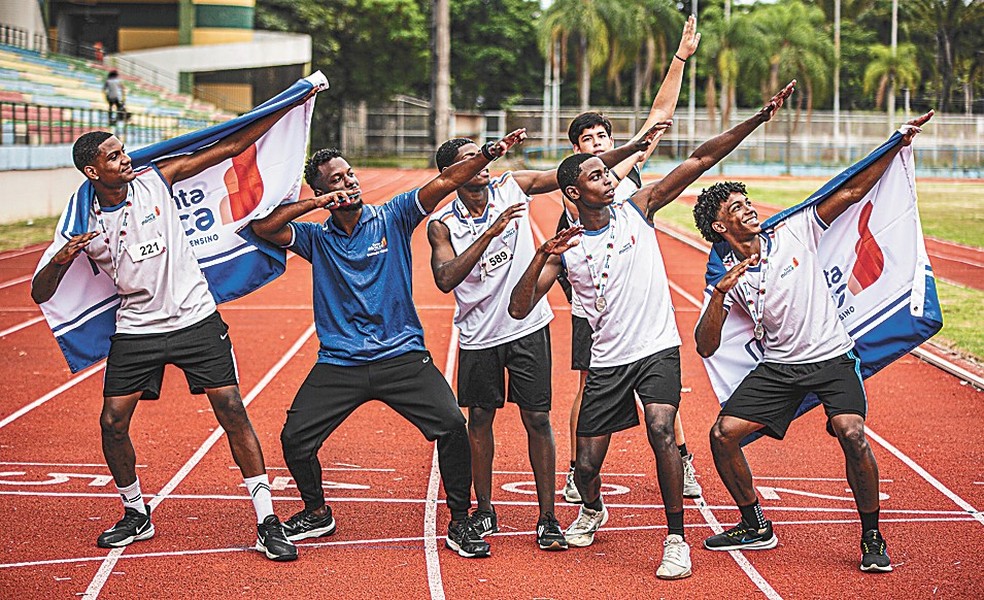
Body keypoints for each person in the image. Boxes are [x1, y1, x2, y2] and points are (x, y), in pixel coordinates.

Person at [509, 81, 795, 580]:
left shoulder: (637, 209)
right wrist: (539, 257)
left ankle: (675, 538)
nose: (610, 178)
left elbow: (700, 161)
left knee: (663, 429)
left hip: (657, 349)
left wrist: (758, 118)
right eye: (598, 174)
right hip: (608, 359)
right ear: (575, 193)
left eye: (608, 172)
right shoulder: (567, 247)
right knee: (587, 465)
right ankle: (593, 508)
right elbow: (518, 309)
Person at [30, 99, 311, 562]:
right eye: (115, 156)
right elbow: (41, 294)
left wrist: (290, 102)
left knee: (232, 410)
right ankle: (136, 513)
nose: (127, 159)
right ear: (92, 172)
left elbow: (233, 144)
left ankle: (267, 521)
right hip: (136, 329)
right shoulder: (81, 224)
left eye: (124, 151)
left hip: (195, 319)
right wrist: (61, 261)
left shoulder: (156, 181)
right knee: (112, 422)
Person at [250, 129, 529, 559]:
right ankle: (317, 511)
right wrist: (315, 205)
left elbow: (444, 183)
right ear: (322, 192)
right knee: (295, 439)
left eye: (351, 174)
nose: (350, 183)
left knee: (453, 426)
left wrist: (490, 153)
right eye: (338, 180)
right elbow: (263, 227)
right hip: (340, 362)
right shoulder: (316, 239)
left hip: (402, 357)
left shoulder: (393, 216)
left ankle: (459, 521)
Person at [692, 110, 934, 573]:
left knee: (852, 434)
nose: (748, 208)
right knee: (723, 436)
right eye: (736, 208)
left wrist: (897, 144)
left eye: (747, 200)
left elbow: (849, 191)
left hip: (832, 358)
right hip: (781, 367)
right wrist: (721, 296)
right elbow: (706, 347)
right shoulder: (721, 272)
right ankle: (755, 524)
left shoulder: (791, 230)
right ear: (721, 228)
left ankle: (871, 536)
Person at [427, 125, 668, 551]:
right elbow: (446, 279)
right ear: (450, 174)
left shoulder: (511, 186)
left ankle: (548, 517)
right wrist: (491, 232)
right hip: (480, 334)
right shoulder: (442, 224)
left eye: (483, 154)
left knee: (537, 419)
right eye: (470, 157)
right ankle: (484, 509)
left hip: (528, 328)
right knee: (479, 420)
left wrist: (632, 149)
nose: (482, 162)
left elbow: (569, 177)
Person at [557, 14, 703, 504]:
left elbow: (660, 115)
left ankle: (682, 464)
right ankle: (578, 470)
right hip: (593, 309)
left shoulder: (629, 177)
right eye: (590, 141)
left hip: (641, 305)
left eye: (603, 137)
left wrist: (680, 58)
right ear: (577, 152)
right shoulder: (577, 188)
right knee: (588, 386)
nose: (599, 145)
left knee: (664, 399)